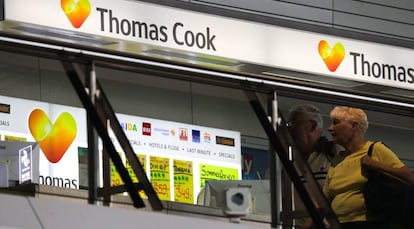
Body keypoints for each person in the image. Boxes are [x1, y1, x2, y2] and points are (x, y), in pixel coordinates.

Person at [323, 106, 414, 229]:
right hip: (340, 224)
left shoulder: (375, 149)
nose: (330, 128)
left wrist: (375, 165)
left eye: (336, 123)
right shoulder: (338, 159)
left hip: (369, 223)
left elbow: (409, 177)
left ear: (354, 126)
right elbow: (325, 197)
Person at [286, 104, 337, 229]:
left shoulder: (334, 154)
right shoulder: (290, 163)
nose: (289, 130)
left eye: (293, 123)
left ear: (312, 126)